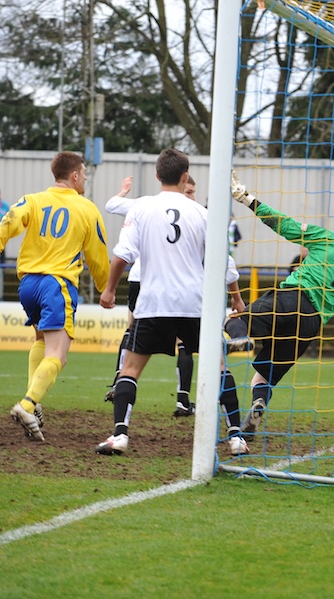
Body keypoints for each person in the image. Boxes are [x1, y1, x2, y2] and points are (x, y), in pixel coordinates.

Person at [96, 149, 248, 456]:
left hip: (154, 303)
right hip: (194, 306)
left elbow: (121, 256)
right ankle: (235, 437)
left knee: (130, 369)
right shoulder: (203, 214)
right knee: (218, 367)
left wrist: (110, 290)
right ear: (184, 177)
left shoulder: (141, 208)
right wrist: (237, 298)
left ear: (156, 175)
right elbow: (224, 261)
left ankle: (120, 436)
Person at [223, 171, 334, 440]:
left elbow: (284, 224)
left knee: (235, 319)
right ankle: (258, 406)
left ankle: (242, 339)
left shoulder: (328, 239)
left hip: (292, 298)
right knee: (265, 374)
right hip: (311, 323)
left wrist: (248, 199)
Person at [0, 152, 110, 441]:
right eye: (85, 173)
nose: (86, 178)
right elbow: (98, 255)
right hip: (56, 285)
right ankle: (27, 405)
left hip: (28, 285)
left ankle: (34, 403)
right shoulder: (87, 208)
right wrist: (106, 288)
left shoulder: (34, 199)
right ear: (74, 176)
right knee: (58, 356)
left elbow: (8, 220)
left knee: (40, 341)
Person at [103, 174, 204, 417]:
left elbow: (112, 206)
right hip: (152, 281)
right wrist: (124, 191)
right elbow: (111, 206)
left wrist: (124, 193)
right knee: (160, 337)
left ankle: (124, 381)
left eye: (192, 192)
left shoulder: (149, 205)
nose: (189, 196)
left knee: (134, 331)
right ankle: (181, 398)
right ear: (180, 183)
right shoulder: (190, 211)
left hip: (147, 281)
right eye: (188, 191)